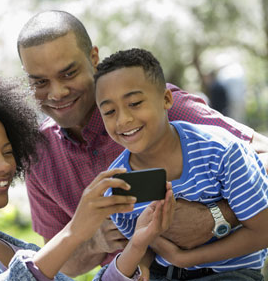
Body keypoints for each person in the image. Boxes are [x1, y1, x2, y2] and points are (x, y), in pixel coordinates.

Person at [16, 10, 268, 277]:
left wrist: (217, 216)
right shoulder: (39, 155)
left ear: (93, 59)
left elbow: (261, 156)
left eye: (68, 73)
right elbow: (59, 264)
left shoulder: (160, 108)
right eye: (40, 82)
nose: (56, 92)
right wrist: (94, 242)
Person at [0, 76, 176, 281]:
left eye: (8, 152)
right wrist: (74, 231)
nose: (3, 165)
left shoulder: (23, 250)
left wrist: (136, 244)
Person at [95, 47, 268, 280]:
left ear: (166, 99)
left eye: (135, 103)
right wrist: (142, 266)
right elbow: (141, 244)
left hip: (231, 273)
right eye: (109, 111)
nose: (123, 119)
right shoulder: (120, 182)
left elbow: (262, 231)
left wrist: (186, 259)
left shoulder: (219, 151)